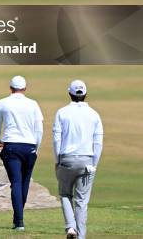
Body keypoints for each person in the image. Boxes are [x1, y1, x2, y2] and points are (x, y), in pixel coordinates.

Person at [53, 80, 104, 239]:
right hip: (87, 160)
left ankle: (70, 228)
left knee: (65, 194)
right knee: (82, 201)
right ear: (86, 94)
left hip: (66, 159)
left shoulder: (62, 112)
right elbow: (98, 142)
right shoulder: (94, 114)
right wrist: (94, 164)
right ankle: (80, 236)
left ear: (69, 93)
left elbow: (57, 139)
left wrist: (57, 160)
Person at [0, 76, 44, 232]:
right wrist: (37, 147)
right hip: (29, 147)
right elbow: (39, 129)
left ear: (10, 88)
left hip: (11, 146)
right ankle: (18, 219)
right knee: (24, 183)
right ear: (25, 88)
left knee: (15, 183)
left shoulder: (3, 102)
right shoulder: (33, 104)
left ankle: (19, 221)